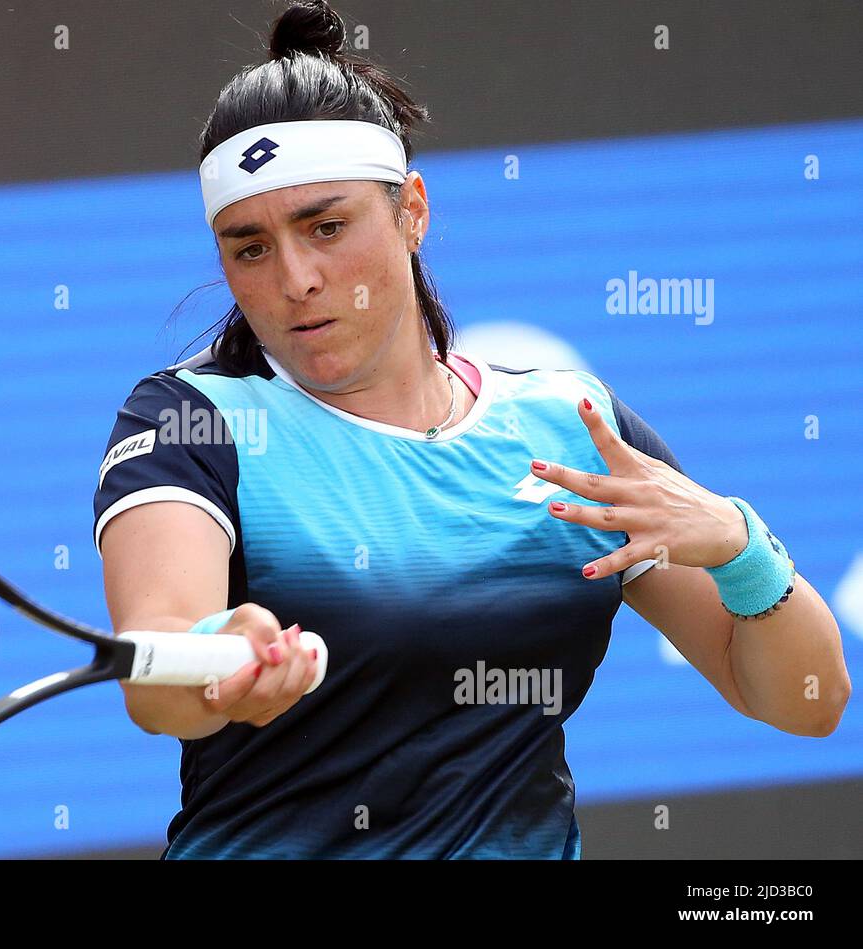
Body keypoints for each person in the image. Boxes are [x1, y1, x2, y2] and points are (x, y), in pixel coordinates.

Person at [92, 0, 850, 859]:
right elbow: (156, 677)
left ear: (412, 210)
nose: (296, 277)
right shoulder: (192, 419)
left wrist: (740, 546)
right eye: (249, 246)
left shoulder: (570, 426)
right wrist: (220, 659)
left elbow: (806, 701)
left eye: (327, 226)